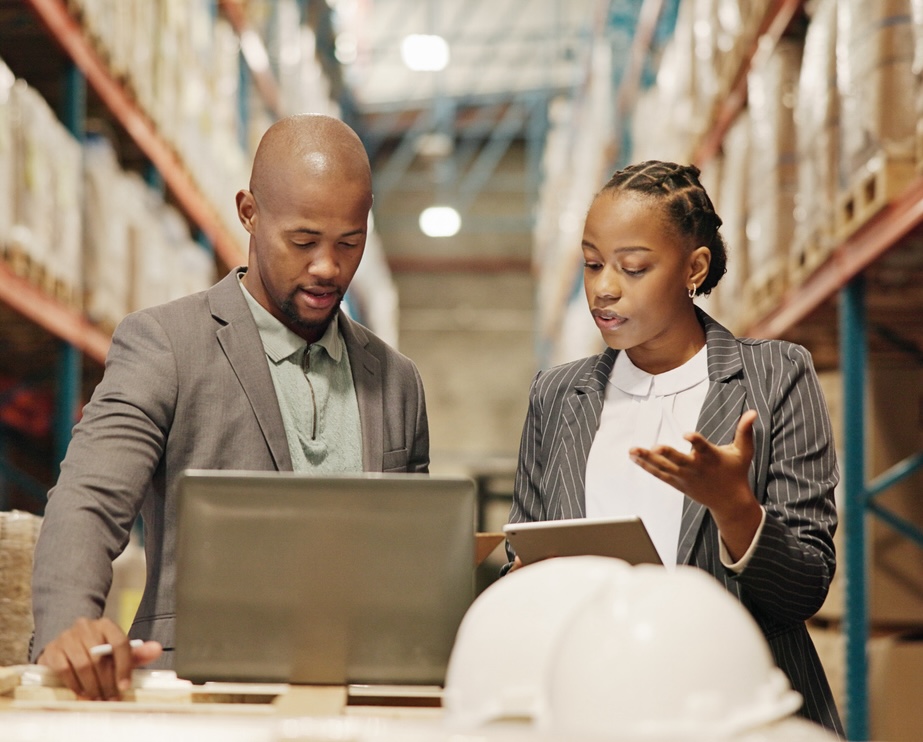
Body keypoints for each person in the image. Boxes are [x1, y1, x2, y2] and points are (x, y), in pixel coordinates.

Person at [30, 114, 430, 700]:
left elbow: (411, 561)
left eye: (350, 243)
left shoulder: (397, 382)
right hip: (197, 696)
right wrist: (68, 628)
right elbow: (88, 501)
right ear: (248, 212)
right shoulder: (166, 345)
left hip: (361, 702)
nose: (327, 267)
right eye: (302, 241)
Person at [505, 160, 843, 736]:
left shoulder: (777, 376)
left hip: (736, 713)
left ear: (694, 267)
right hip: (597, 709)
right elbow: (528, 554)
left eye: (633, 268)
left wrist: (734, 506)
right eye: (591, 263)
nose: (603, 287)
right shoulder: (558, 397)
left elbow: (803, 590)